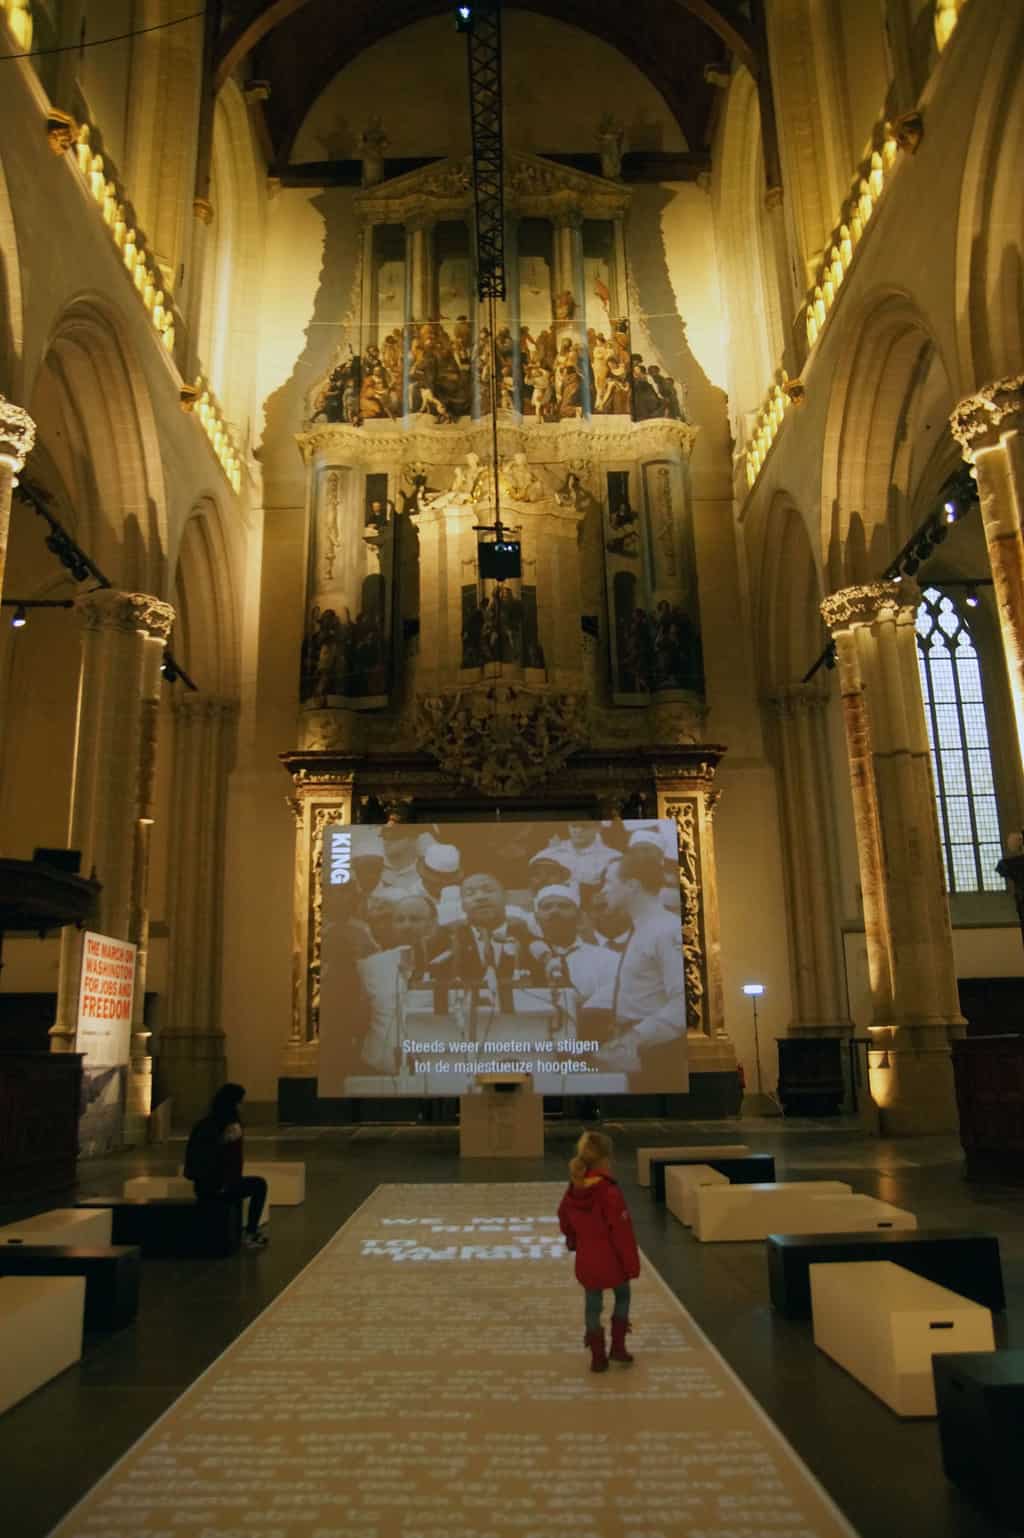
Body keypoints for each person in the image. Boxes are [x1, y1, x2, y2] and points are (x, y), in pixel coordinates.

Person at [595, 845, 687, 1081]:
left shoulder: (665, 930)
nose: (603, 890)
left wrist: (634, 1037)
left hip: (658, 1055)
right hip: (637, 1048)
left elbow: (682, 1003)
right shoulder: (641, 929)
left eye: (609, 882)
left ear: (632, 885)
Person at [557, 1130, 640, 1373]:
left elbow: (564, 1218)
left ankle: (597, 1357)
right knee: (622, 1295)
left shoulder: (575, 1188)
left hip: (587, 1259)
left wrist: (574, 1241)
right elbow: (621, 1233)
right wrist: (631, 1264)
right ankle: (618, 1348)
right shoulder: (609, 1191)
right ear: (606, 1159)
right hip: (612, 1260)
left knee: (592, 1304)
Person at [184, 1083, 268, 1250]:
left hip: (217, 1182)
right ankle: (250, 1233)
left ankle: (239, 1232)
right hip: (215, 1185)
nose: (243, 1107)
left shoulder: (208, 1123)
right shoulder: (223, 1127)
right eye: (240, 1102)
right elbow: (213, 1157)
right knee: (259, 1185)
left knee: (246, 1186)